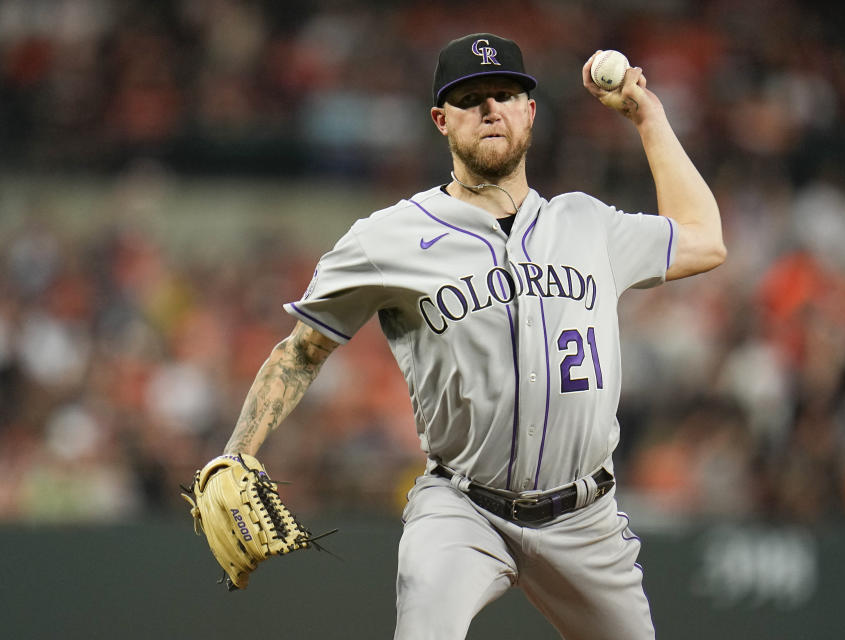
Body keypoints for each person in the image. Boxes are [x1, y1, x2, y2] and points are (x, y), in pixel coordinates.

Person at [220, 33, 725, 639]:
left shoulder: (587, 223)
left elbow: (704, 239)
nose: (491, 108)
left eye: (506, 94)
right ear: (441, 119)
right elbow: (301, 351)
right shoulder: (389, 238)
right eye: (471, 98)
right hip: (463, 508)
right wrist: (238, 450)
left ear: (530, 112)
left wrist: (649, 116)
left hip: (585, 518)